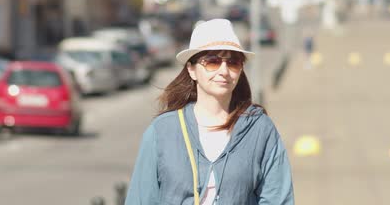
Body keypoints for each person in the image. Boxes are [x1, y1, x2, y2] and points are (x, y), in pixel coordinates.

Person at [126, 19, 294, 204]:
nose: (224, 71)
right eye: (212, 62)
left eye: (233, 62)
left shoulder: (260, 128)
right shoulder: (162, 131)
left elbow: (278, 199)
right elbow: (141, 199)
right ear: (191, 70)